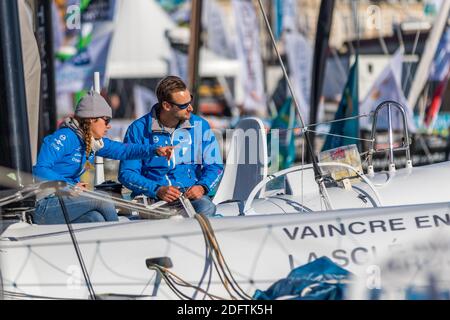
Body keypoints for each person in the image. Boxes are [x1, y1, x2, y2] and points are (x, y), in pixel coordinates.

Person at [33, 91, 174, 224]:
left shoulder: (92, 141)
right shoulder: (65, 137)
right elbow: (39, 170)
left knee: (96, 219)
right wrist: (68, 186)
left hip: (64, 202)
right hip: (44, 206)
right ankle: (120, 242)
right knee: (103, 199)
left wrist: (154, 150)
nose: (109, 126)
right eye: (106, 120)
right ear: (91, 120)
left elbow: (123, 150)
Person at [118, 76, 224, 216]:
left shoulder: (200, 125)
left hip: (191, 198)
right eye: (183, 106)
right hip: (153, 200)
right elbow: (127, 173)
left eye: (190, 101)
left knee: (205, 207)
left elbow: (215, 166)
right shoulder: (137, 130)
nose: (191, 108)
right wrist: (157, 189)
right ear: (167, 106)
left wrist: (202, 187)